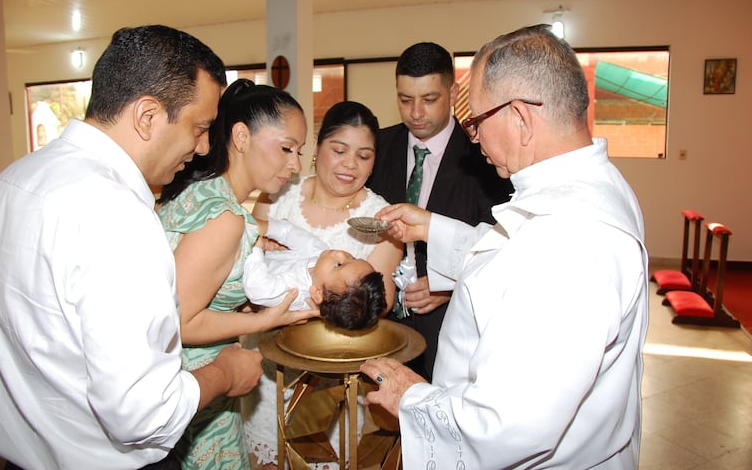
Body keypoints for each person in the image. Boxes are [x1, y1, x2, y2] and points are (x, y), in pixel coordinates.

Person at [361, 24, 649, 469]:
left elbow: (509, 424)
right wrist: (433, 227)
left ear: (520, 118)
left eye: (476, 121)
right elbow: (509, 256)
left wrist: (412, 399)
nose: (473, 139)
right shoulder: (589, 188)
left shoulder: (568, 239)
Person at [0, 25, 264, 470]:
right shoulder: (118, 215)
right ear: (148, 115)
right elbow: (143, 415)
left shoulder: (15, 179)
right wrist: (226, 373)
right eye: (200, 127)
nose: (204, 145)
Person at [156, 79, 319, 469]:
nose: (295, 165)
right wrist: (264, 318)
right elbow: (178, 321)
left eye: (298, 152)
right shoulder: (224, 218)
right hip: (197, 384)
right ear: (241, 136)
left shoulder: (209, 197)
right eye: (286, 148)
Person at [245, 100, 403, 468]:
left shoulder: (380, 220)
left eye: (364, 156)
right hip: (264, 370)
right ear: (317, 147)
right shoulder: (280, 193)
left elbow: (377, 306)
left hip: (328, 384)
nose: (350, 165)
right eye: (339, 150)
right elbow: (247, 253)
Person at [366, 41, 514, 380]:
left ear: (453, 92)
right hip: (380, 323)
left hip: (445, 330)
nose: (416, 112)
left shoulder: (484, 157)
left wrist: (449, 284)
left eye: (429, 99)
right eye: (405, 99)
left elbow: (501, 247)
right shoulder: (376, 146)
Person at [244, 218, 387, 330]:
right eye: (353, 258)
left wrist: (257, 248)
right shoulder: (320, 254)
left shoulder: (294, 294)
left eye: (339, 265)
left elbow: (257, 289)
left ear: (317, 293)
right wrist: (264, 227)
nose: (340, 253)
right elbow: (290, 232)